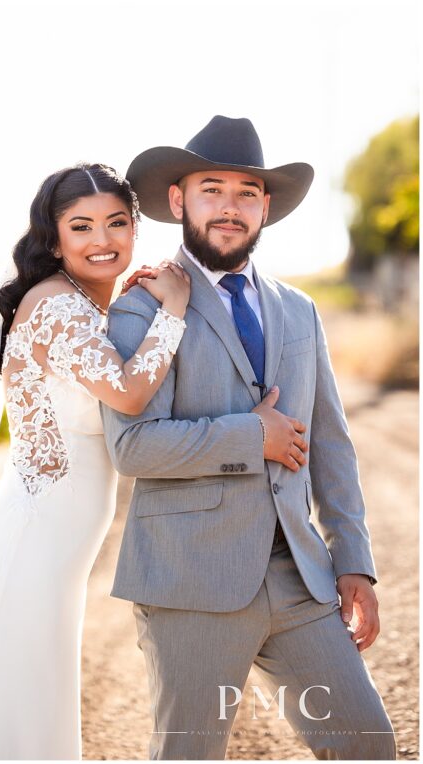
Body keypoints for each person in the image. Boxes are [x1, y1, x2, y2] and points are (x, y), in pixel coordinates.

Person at [0, 162, 251, 759]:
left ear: (135, 229)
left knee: (27, 705)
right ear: (54, 237)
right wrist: (171, 310)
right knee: (21, 712)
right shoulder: (57, 307)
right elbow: (126, 391)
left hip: (54, 539)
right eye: (82, 227)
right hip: (34, 538)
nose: (103, 241)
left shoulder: (83, 304)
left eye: (117, 223)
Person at [103, 115, 395, 759]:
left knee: (367, 743)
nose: (229, 208)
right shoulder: (141, 307)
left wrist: (354, 562)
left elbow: (332, 445)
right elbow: (133, 447)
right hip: (192, 582)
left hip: (300, 581)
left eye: (246, 192)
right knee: (190, 753)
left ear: (265, 207)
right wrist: (249, 435)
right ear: (179, 200)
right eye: (212, 188)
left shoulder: (299, 310)